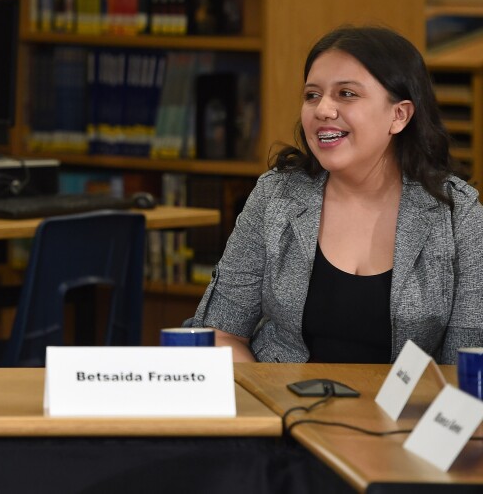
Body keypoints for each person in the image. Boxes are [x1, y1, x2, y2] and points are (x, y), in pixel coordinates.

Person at [190, 25, 483, 364]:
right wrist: (271, 408)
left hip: (404, 416)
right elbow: (220, 334)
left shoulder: (457, 214)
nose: (323, 110)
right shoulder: (276, 196)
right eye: (312, 95)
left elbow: (469, 363)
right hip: (286, 409)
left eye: (346, 94)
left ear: (399, 115)